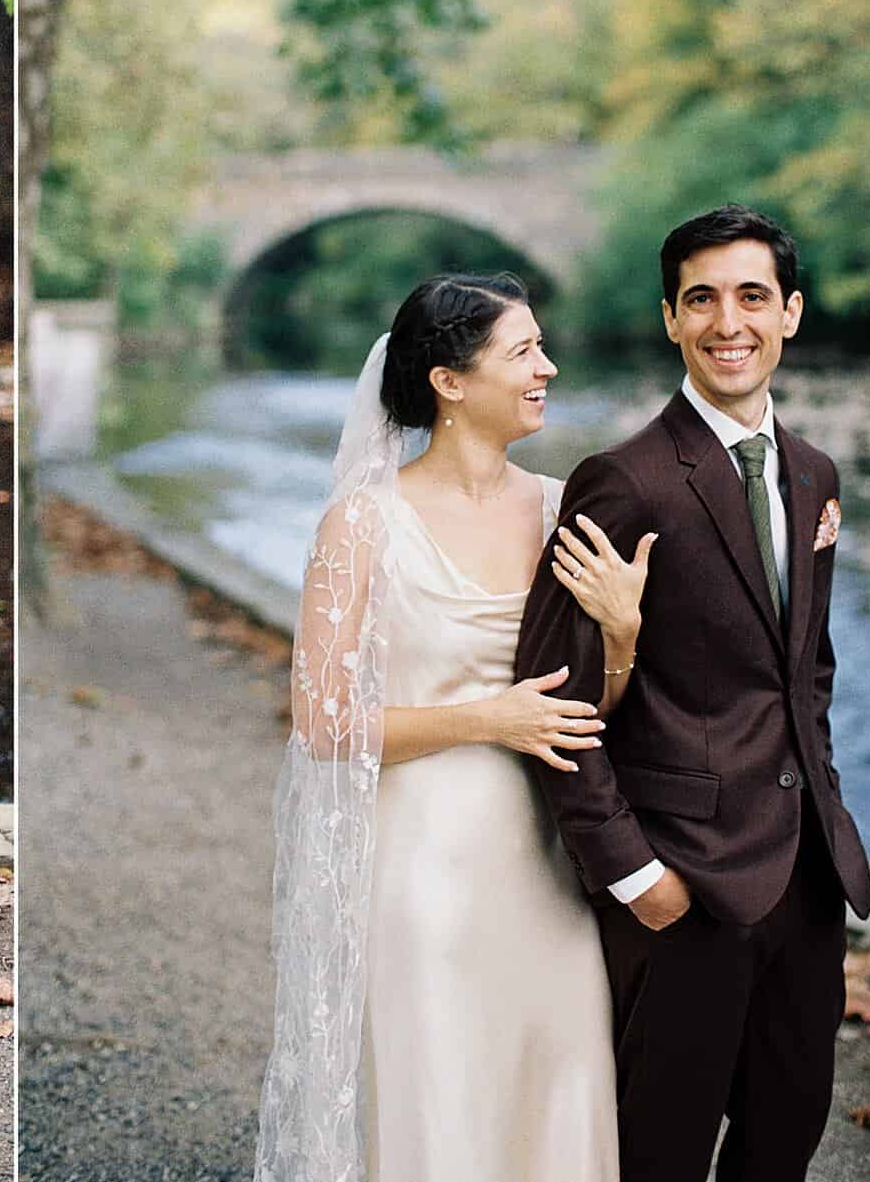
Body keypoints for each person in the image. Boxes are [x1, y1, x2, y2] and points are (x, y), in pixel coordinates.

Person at [257, 272, 653, 1182]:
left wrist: (624, 635)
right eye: (523, 351)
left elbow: (595, 716)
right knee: (442, 1104)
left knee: (558, 1087)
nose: (547, 366)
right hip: (421, 870)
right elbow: (319, 722)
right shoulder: (361, 522)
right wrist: (485, 717)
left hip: (550, 865)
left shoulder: (565, 509)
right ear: (449, 380)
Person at [515, 206, 870, 1182]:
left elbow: (809, 671)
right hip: (682, 887)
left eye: (751, 296)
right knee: (659, 1155)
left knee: (782, 1138)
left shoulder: (812, 473)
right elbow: (549, 701)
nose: (729, 321)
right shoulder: (623, 480)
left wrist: (825, 812)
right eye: (701, 298)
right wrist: (634, 877)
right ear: (669, 317)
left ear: (789, 313)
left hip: (803, 882)